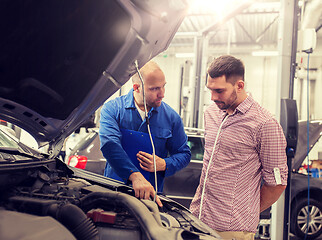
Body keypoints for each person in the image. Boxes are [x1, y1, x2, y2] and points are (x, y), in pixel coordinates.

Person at [189, 55, 288, 240]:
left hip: (232, 230)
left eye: (219, 91)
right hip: (198, 220)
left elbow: (277, 183)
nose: (213, 97)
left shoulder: (264, 124)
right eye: (210, 90)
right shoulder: (211, 113)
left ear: (239, 86)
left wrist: (244, 210)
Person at [99, 61, 191, 207]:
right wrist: (135, 176)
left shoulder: (172, 118)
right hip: (114, 193)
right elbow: (110, 145)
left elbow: (184, 154)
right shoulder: (113, 109)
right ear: (136, 88)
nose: (162, 94)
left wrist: (164, 164)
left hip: (151, 200)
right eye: (155, 89)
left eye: (163, 86)